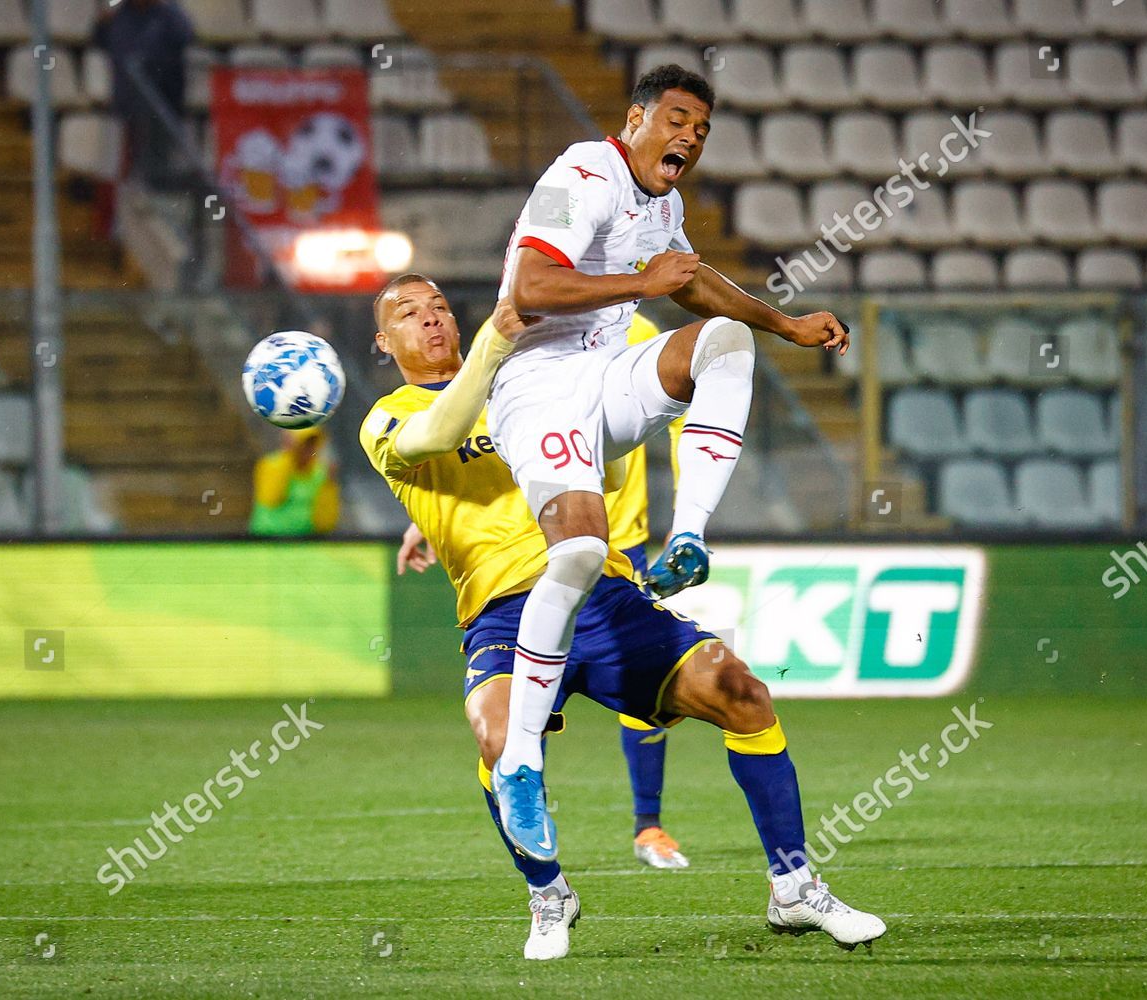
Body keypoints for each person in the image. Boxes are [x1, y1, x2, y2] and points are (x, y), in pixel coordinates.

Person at [360, 273, 884, 961]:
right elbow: (443, 432)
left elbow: (597, 453)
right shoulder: (387, 417)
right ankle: (548, 893)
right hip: (503, 614)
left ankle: (793, 886)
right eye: (407, 313)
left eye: (438, 308)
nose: (429, 319)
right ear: (383, 341)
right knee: (496, 737)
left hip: (603, 596)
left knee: (744, 695)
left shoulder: (537, 380)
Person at [488, 64, 850, 864]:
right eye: (678, 119)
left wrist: (784, 324)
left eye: (703, 130)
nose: (690, 136)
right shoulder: (583, 171)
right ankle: (519, 761)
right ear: (636, 119)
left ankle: (686, 539)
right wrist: (640, 281)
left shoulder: (665, 202)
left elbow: (691, 283)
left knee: (726, 342)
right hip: (535, 390)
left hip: (602, 381)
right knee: (581, 552)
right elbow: (531, 283)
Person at [397, 311, 691, 871]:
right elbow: (509, 434)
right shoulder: (533, 326)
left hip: (617, 538)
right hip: (549, 535)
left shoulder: (640, 330)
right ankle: (536, 838)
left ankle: (648, 825)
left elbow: (678, 419)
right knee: (526, 699)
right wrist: (428, 519)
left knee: (648, 692)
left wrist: (687, 518)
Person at [92, 0, 195, 189]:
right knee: (127, 169)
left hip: (162, 105)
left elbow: (187, 36)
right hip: (127, 105)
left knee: (157, 168)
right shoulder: (118, 15)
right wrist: (102, 21)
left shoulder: (168, 13)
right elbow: (99, 40)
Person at [249, 427, 340, 537]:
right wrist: (288, 456)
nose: (308, 449)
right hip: (268, 539)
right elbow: (271, 498)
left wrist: (329, 484)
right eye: (303, 444)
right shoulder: (272, 464)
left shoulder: (320, 474)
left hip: (305, 541)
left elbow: (326, 521)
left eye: (312, 444)